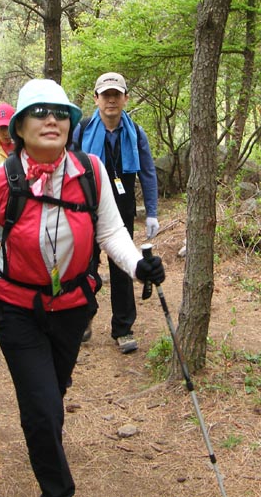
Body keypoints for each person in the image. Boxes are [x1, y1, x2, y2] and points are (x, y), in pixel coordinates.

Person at [0, 78, 166, 497]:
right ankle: (58, 489)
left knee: (53, 394)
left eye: (59, 113)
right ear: (19, 127)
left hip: (73, 305)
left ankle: (45, 433)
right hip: (15, 307)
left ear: (71, 124)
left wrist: (138, 268)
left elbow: (111, 233)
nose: (50, 120)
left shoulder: (91, 172)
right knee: (41, 408)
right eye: (38, 113)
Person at [72, 72, 160, 353]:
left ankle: (123, 327)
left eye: (116, 94)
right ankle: (84, 316)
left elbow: (147, 172)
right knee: (84, 265)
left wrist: (152, 212)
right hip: (85, 203)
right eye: (105, 94)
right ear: (96, 98)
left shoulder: (136, 133)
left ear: (125, 98)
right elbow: (68, 164)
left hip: (121, 206)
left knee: (122, 265)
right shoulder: (82, 129)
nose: (111, 100)